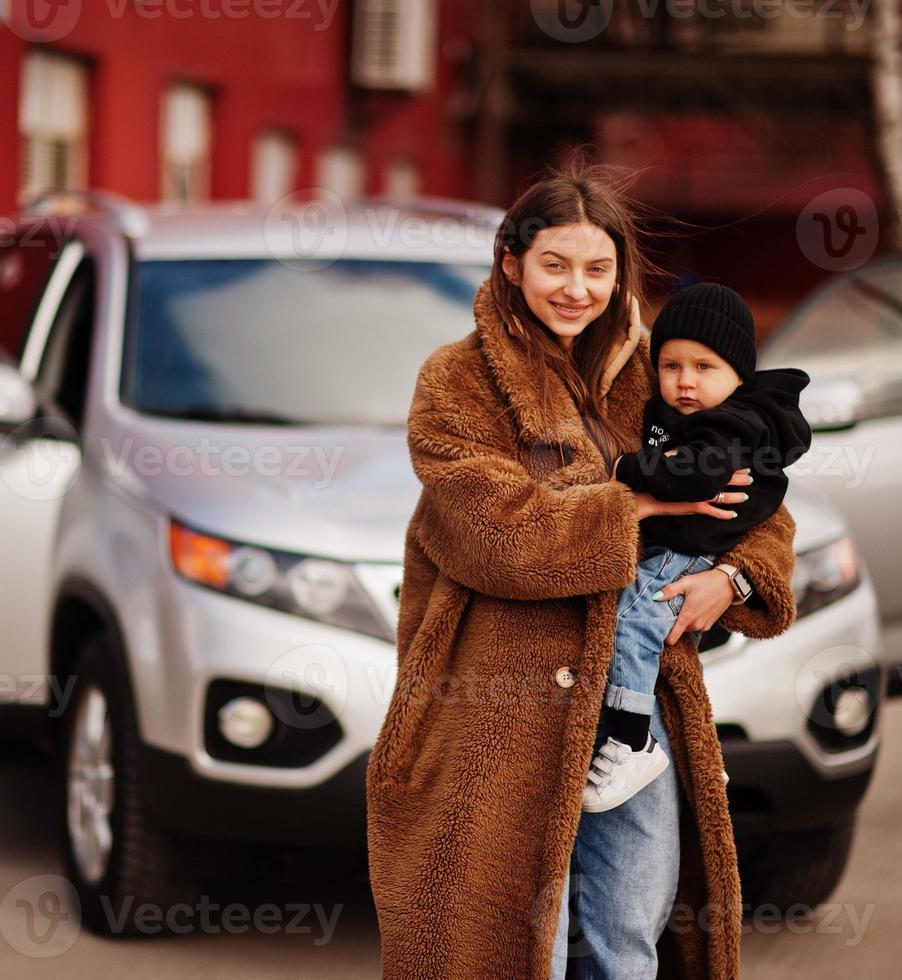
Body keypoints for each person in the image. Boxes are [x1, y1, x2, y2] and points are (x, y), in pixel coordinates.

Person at [365, 157, 802, 980]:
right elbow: (493, 535)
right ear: (511, 264)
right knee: (511, 949)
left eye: (597, 269)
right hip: (496, 719)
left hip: (632, 727)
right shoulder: (455, 383)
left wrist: (732, 580)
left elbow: (763, 506)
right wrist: (635, 505)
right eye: (554, 265)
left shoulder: (656, 373)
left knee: (628, 938)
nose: (576, 288)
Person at [580, 283, 813, 813]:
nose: (684, 382)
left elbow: (696, 478)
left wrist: (628, 472)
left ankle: (631, 739)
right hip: (673, 552)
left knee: (634, 622)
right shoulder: (688, 410)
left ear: (738, 375)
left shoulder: (730, 423)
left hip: (679, 554)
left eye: (703, 368)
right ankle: (675, 749)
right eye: (671, 367)